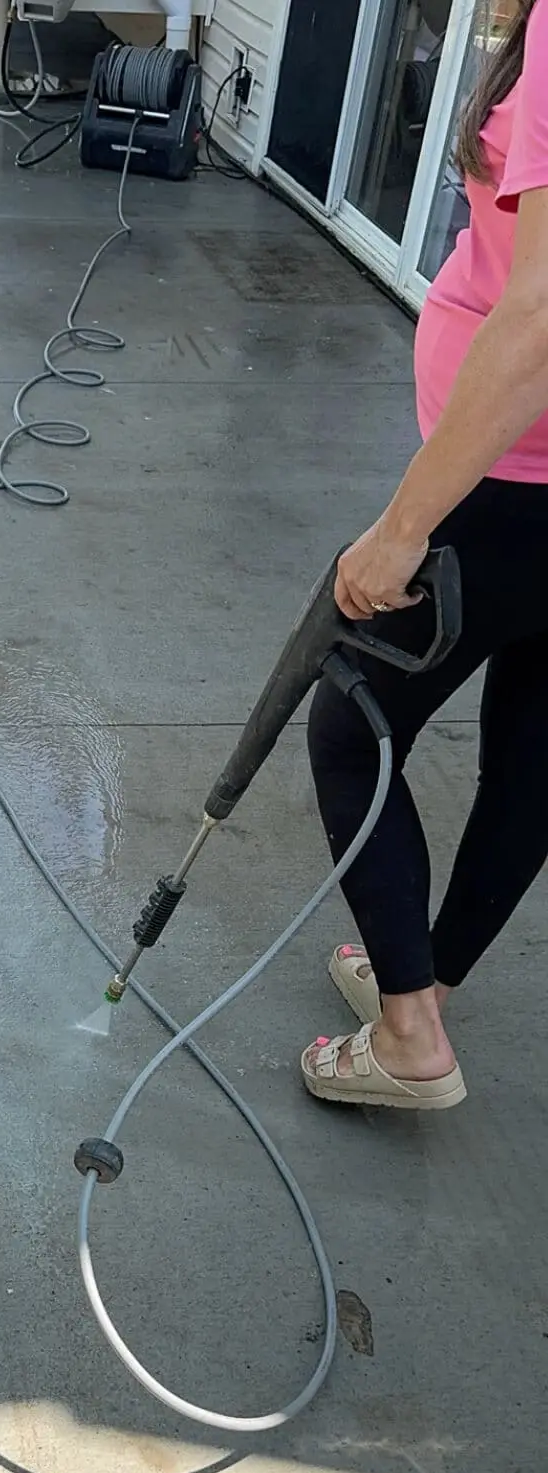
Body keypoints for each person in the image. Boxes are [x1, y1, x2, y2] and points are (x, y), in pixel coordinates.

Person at [302, 0, 548, 1110]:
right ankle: (426, 988)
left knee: (350, 725)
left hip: (512, 491)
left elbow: (538, 317)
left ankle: (409, 1038)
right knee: (531, 765)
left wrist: (403, 526)